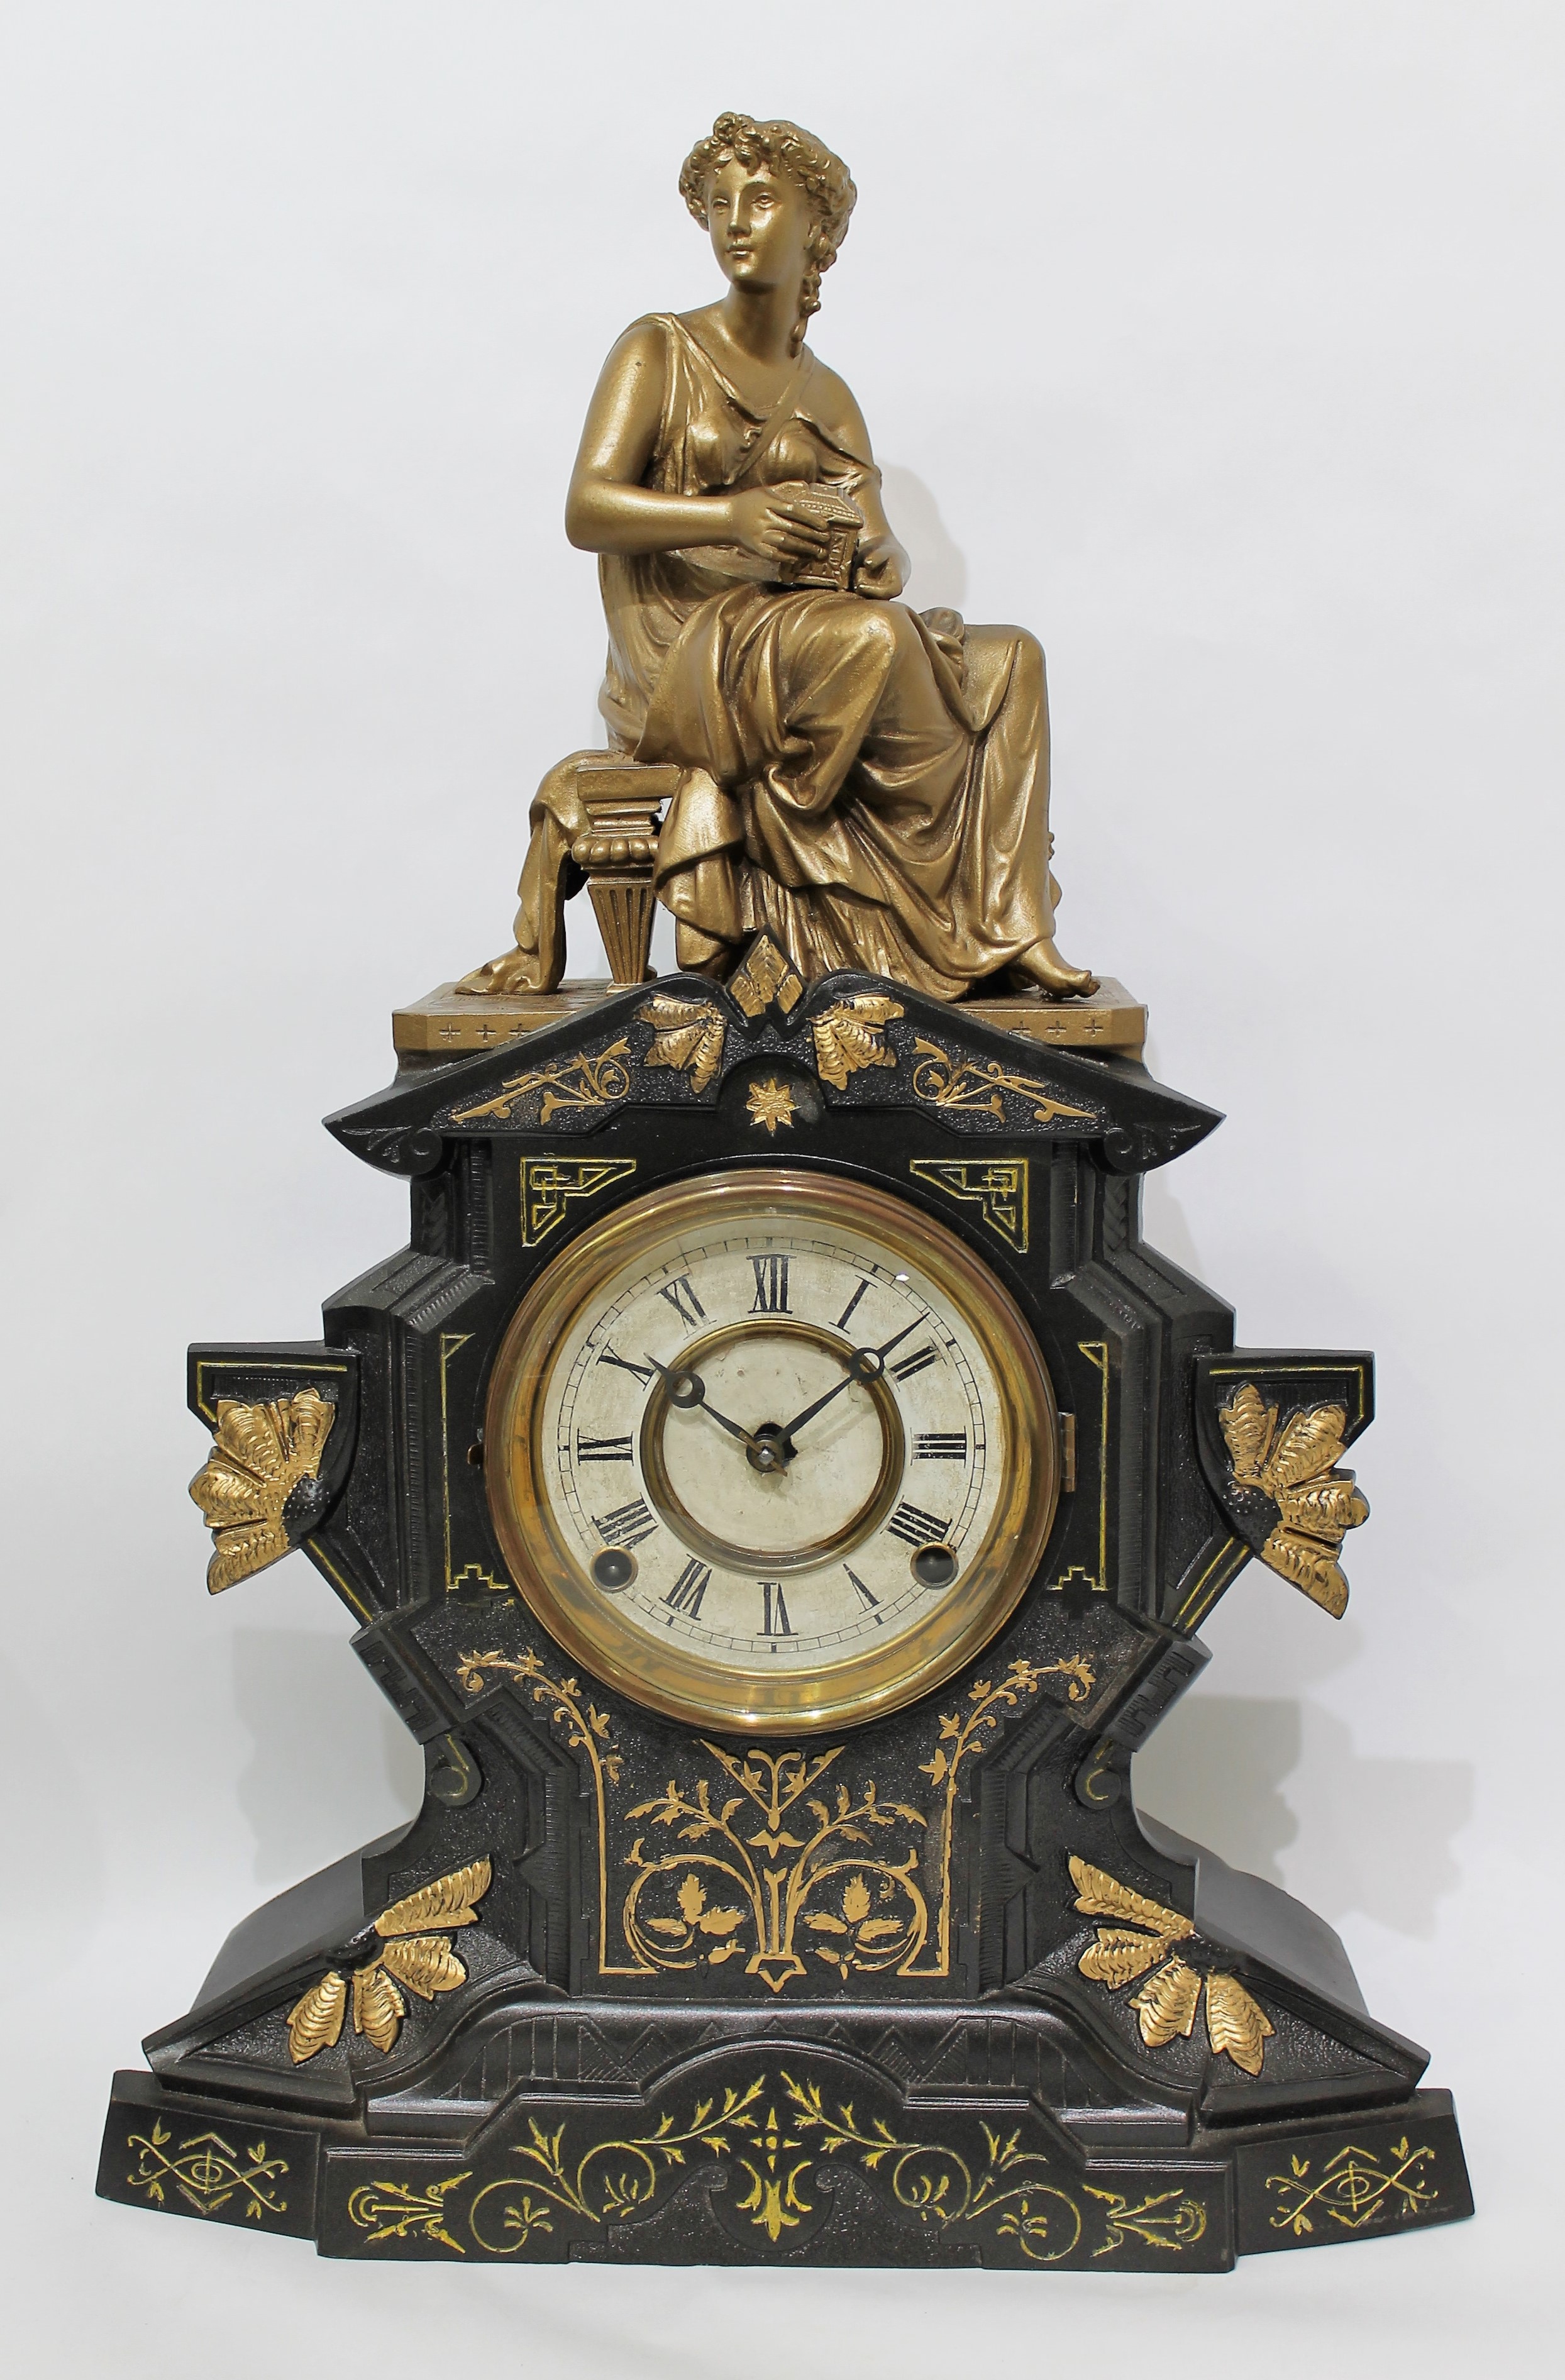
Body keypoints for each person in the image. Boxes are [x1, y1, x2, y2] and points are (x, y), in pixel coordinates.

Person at [462, 112, 1095, 1002]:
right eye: (719, 204)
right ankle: (847, 888)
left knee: (1011, 660)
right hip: (686, 648)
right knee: (876, 641)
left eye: (761, 201)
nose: (735, 222)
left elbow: (877, 537)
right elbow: (587, 509)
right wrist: (734, 517)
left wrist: (878, 560)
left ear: (816, 231)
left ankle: (1010, 926)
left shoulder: (827, 395)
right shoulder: (658, 350)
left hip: (797, 632)